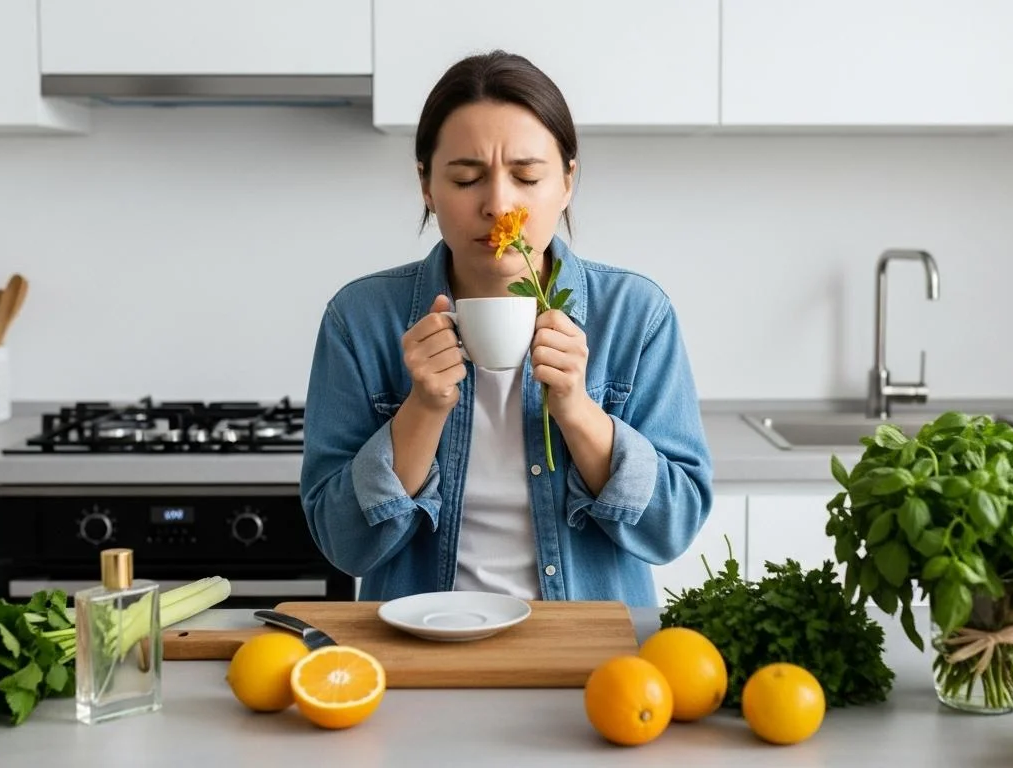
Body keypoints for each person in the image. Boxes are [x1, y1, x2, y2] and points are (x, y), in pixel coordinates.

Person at [299, 50, 713, 607]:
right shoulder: (359, 319)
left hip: (587, 661)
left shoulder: (637, 315)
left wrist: (577, 409)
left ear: (567, 181)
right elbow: (343, 543)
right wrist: (421, 409)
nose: (499, 206)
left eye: (527, 176)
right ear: (426, 184)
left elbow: (673, 527)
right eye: (467, 178)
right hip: (422, 655)